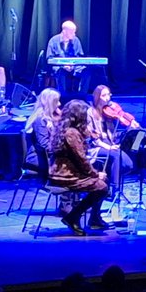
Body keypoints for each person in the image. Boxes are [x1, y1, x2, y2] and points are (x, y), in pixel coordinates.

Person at [48, 99, 109, 235]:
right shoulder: (71, 133)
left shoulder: (69, 129)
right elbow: (81, 159)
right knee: (102, 186)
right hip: (65, 175)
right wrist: (95, 174)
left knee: (104, 181)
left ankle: (92, 218)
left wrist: (87, 133)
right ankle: (74, 217)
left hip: (69, 171)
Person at [88, 84, 134, 195]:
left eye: (109, 94)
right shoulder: (90, 112)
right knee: (116, 156)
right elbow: (92, 137)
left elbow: (112, 134)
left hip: (109, 143)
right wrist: (109, 147)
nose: (107, 98)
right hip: (95, 146)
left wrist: (128, 128)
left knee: (128, 165)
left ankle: (107, 180)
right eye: (104, 95)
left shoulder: (108, 112)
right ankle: (115, 189)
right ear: (97, 97)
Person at [46, 20, 86, 92]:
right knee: (60, 72)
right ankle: (63, 97)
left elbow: (80, 57)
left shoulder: (76, 40)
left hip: (74, 67)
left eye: (74, 32)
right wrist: (63, 66)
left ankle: (80, 96)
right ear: (64, 31)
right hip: (60, 67)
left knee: (85, 71)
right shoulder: (53, 41)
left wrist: (73, 66)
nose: (74, 34)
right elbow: (50, 59)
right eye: (72, 32)